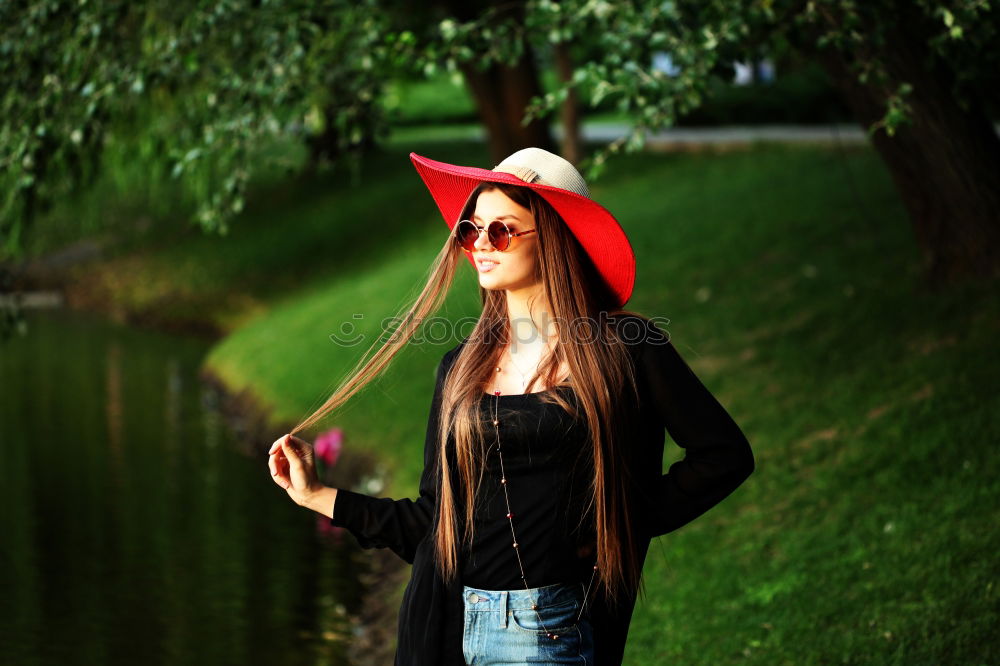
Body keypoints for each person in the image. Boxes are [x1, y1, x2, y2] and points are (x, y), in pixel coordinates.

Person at [267, 147, 755, 665]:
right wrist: (318, 495)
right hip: (448, 628)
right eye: (470, 230)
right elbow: (436, 526)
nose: (480, 244)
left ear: (555, 238)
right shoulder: (460, 368)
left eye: (500, 231)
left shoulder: (626, 347)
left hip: (548, 632)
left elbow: (722, 456)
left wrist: (619, 524)